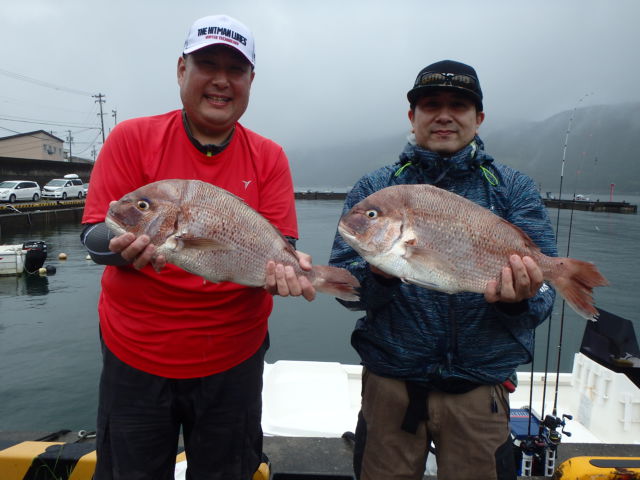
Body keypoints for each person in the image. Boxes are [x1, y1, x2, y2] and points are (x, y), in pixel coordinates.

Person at [81, 14, 314, 480]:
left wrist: (288, 270)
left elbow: (279, 245)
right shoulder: (132, 138)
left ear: (251, 81)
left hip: (234, 357)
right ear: (181, 70)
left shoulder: (269, 156)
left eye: (236, 69)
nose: (222, 80)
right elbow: (93, 234)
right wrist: (122, 245)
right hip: (135, 354)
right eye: (208, 64)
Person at [329, 60, 558, 480]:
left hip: (478, 391)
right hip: (391, 386)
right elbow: (344, 287)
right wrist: (378, 277)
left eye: (459, 105)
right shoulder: (375, 188)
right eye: (432, 105)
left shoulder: (513, 189)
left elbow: (544, 298)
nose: (444, 115)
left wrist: (515, 302)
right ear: (412, 116)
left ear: (479, 118)